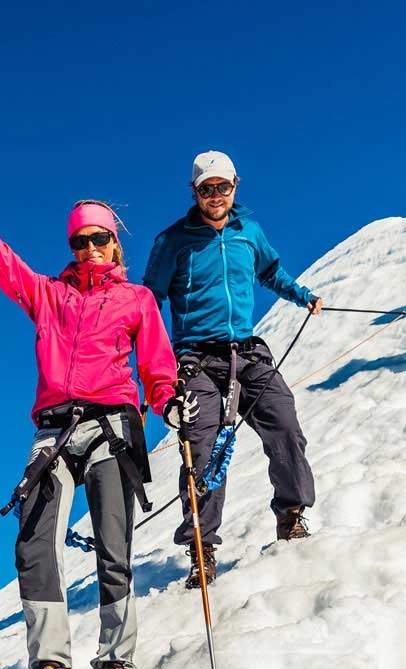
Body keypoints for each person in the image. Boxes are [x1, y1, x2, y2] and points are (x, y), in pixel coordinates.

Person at [0, 134, 182, 669]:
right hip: (52, 431)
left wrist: (168, 401)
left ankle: (116, 660)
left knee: (113, 543)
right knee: (33, 543)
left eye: (99, 238)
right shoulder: (49, 296)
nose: (90, 248)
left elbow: (156, 365)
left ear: (115, 242)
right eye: (80, 241)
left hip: (111, 428)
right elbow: (4, 263)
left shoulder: (137, 300)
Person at [143, 150, 322, 588]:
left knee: (283, 422)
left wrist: (304, 296)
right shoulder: (173, 241)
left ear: (235, 186)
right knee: (200, 447)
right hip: (196, 358)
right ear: (195, 192)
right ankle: (201, 547)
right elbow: (148, 299)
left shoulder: (249, 232)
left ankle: (291, 514)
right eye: (207, 188)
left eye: (223, 186)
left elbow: (272, 272)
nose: (216, 195)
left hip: (247, 350)